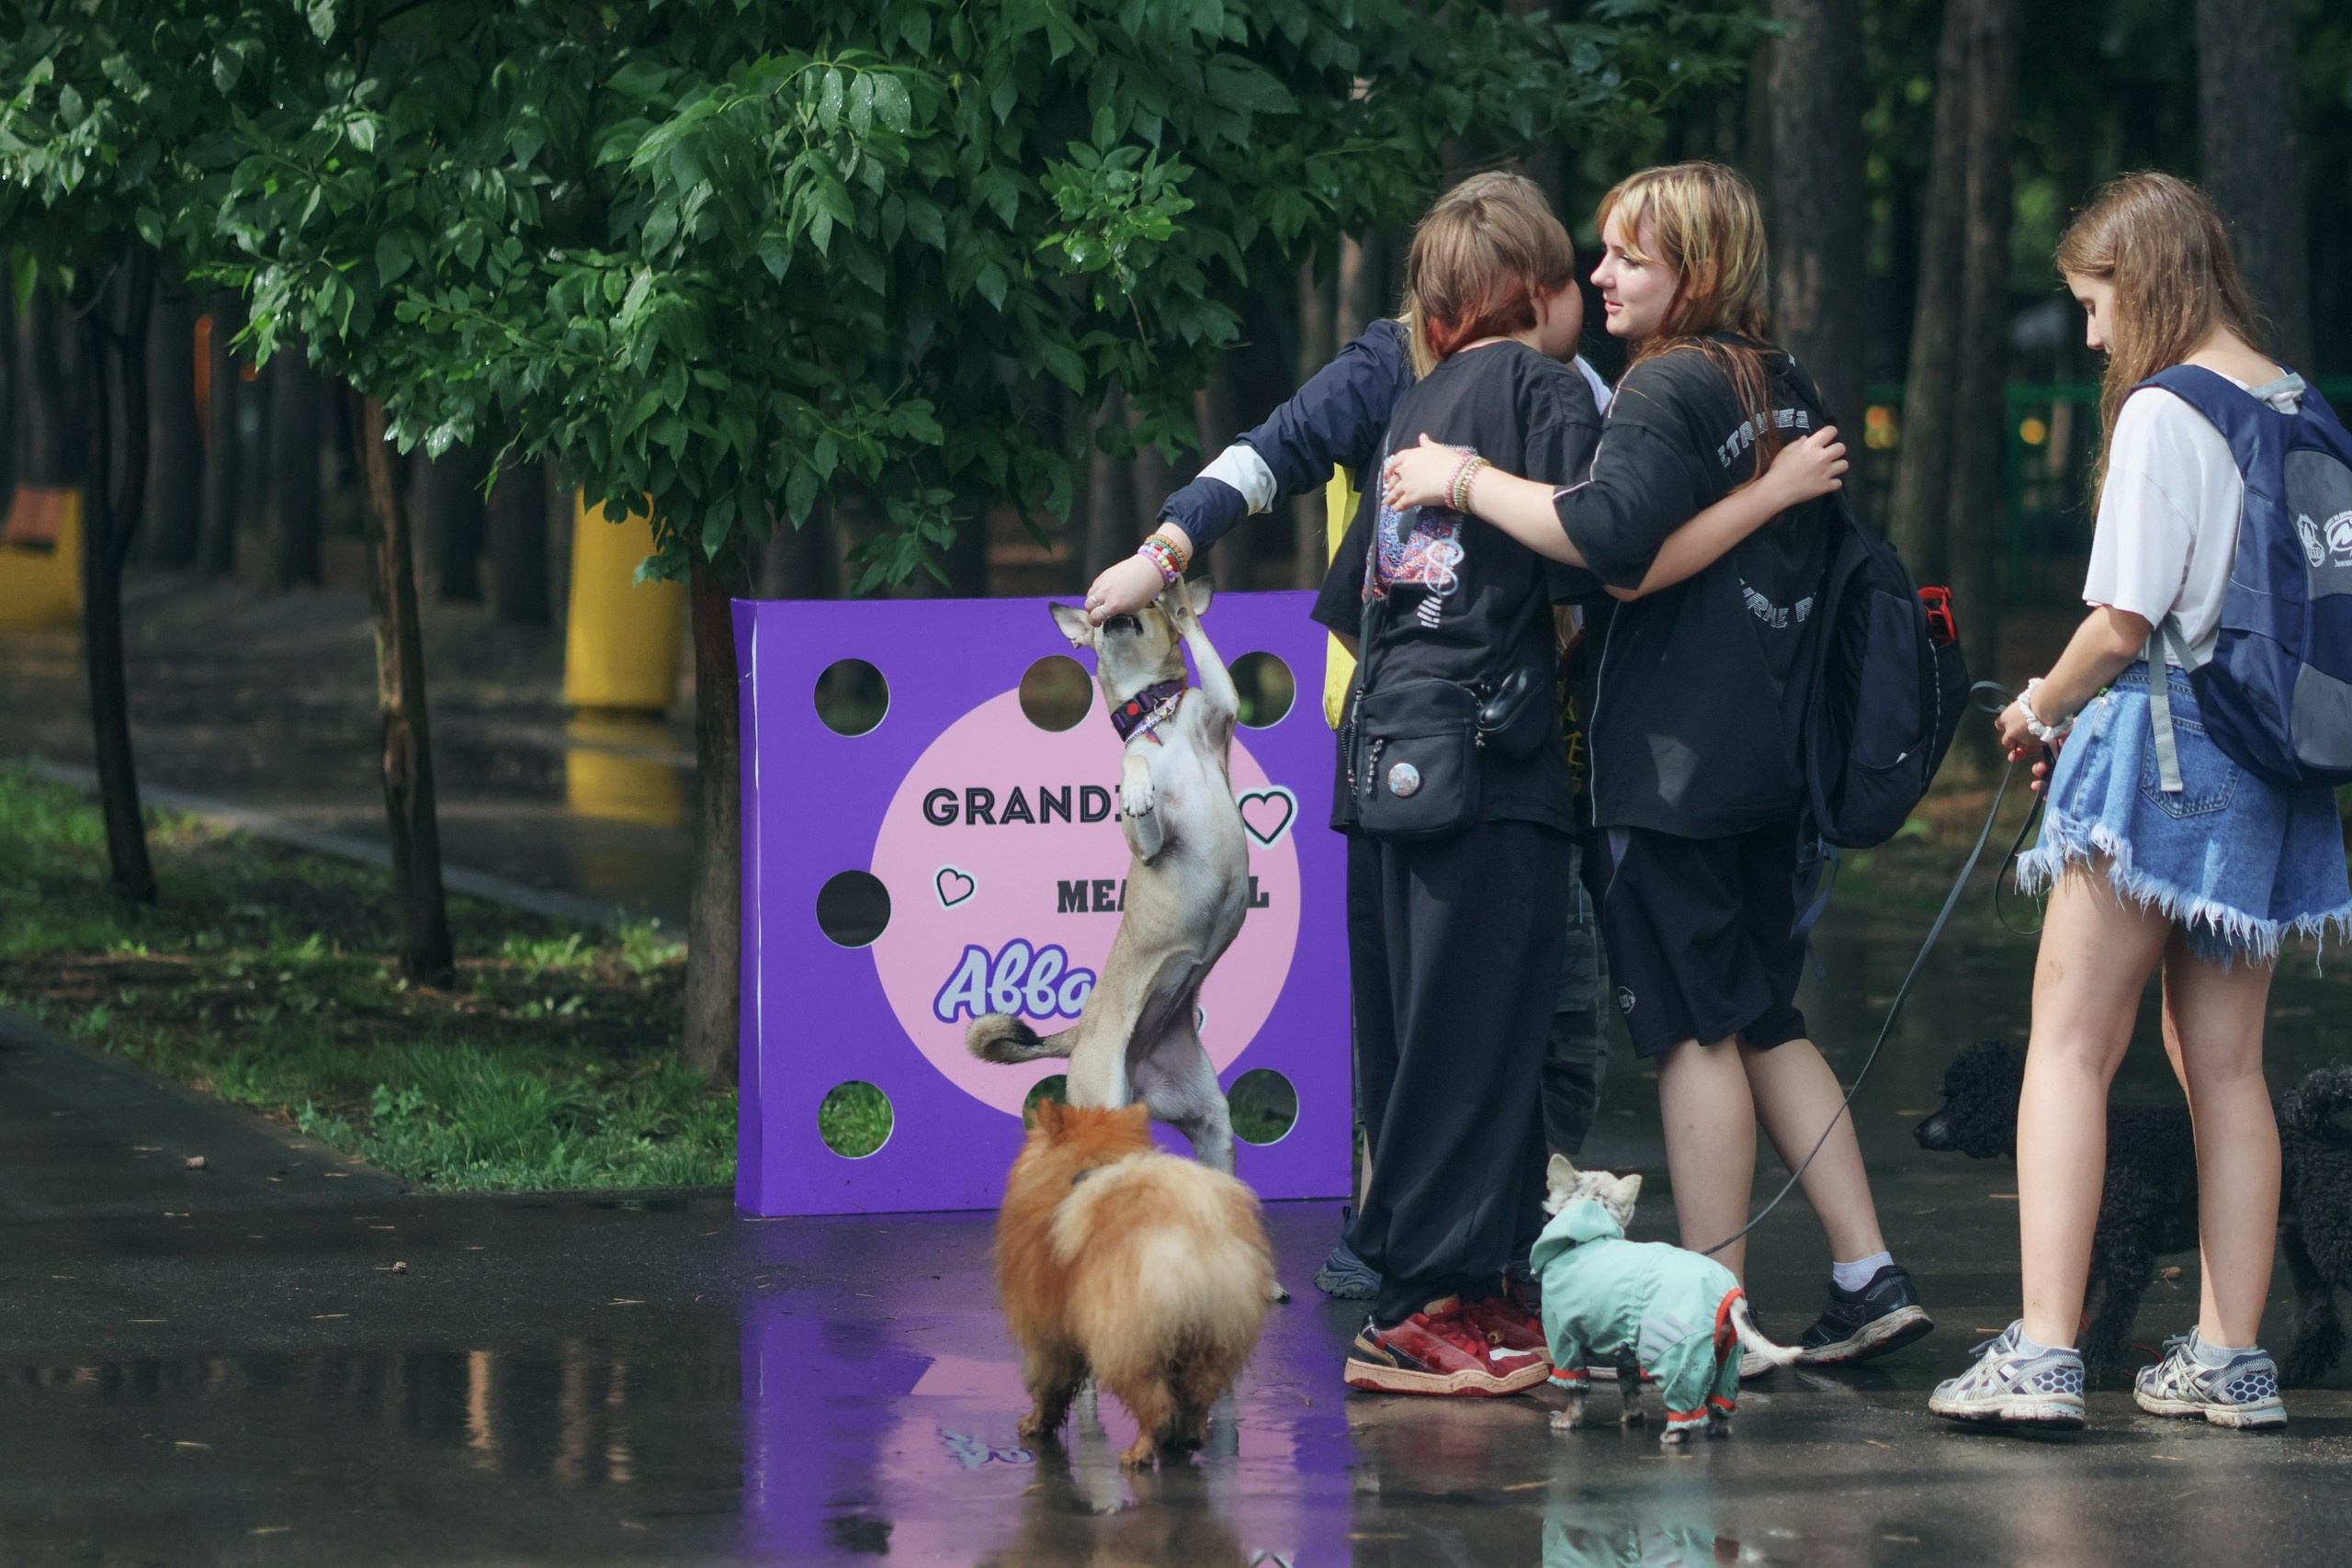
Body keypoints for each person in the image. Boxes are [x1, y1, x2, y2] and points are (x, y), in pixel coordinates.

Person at [1381, 161, 1925, 1369]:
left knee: (1692, 1031)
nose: (1601, 274)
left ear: (1699, 269)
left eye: (1632, 256)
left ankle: (1710, 1314)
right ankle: (1866, 1272)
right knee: (1764, 1014)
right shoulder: (1780, 382)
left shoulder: (1664, 384)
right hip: (1771, 760)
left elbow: (1609, 549)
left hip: (1669, 768)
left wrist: (1460, 478)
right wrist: (1767, 492)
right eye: (1604, 252)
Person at [1091, 175, 1618, 1305]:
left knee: (1522, 1021)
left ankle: (1481, 1255)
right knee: (1441, 1023)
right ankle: (1406, 1263)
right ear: (1515, 294)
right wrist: (1167, 546)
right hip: (1435, 745)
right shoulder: (1419, 369)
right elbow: (1268, 455)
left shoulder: (1549, 387)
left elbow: (1605, 536)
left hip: (1505, 748)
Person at [1928, 172, 2352, 1431]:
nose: (2092, 334)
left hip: (2165, 758)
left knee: (2069, 1046)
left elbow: (2121, 623)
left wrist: (2037, 706)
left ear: (2148, 281)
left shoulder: (2169, 408)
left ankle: (2044, 1352)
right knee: (2229, 1071)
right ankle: (2228, 1357)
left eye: (2094, 302)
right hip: (2271, 767)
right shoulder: (2298, 400)